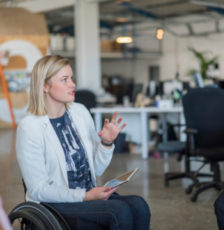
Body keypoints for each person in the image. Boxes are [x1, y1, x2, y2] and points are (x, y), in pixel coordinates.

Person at [16, 55, 151, 230]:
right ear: (44, 86)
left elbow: (97, 169)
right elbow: (38, 190)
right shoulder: (30, 127)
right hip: (56, 203)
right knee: (119, 211)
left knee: (140, 206)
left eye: (72, 78)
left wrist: (106, 143)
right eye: (65, 80)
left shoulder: (79, 112)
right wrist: (85, 196)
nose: (72, 84)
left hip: (88, 195)